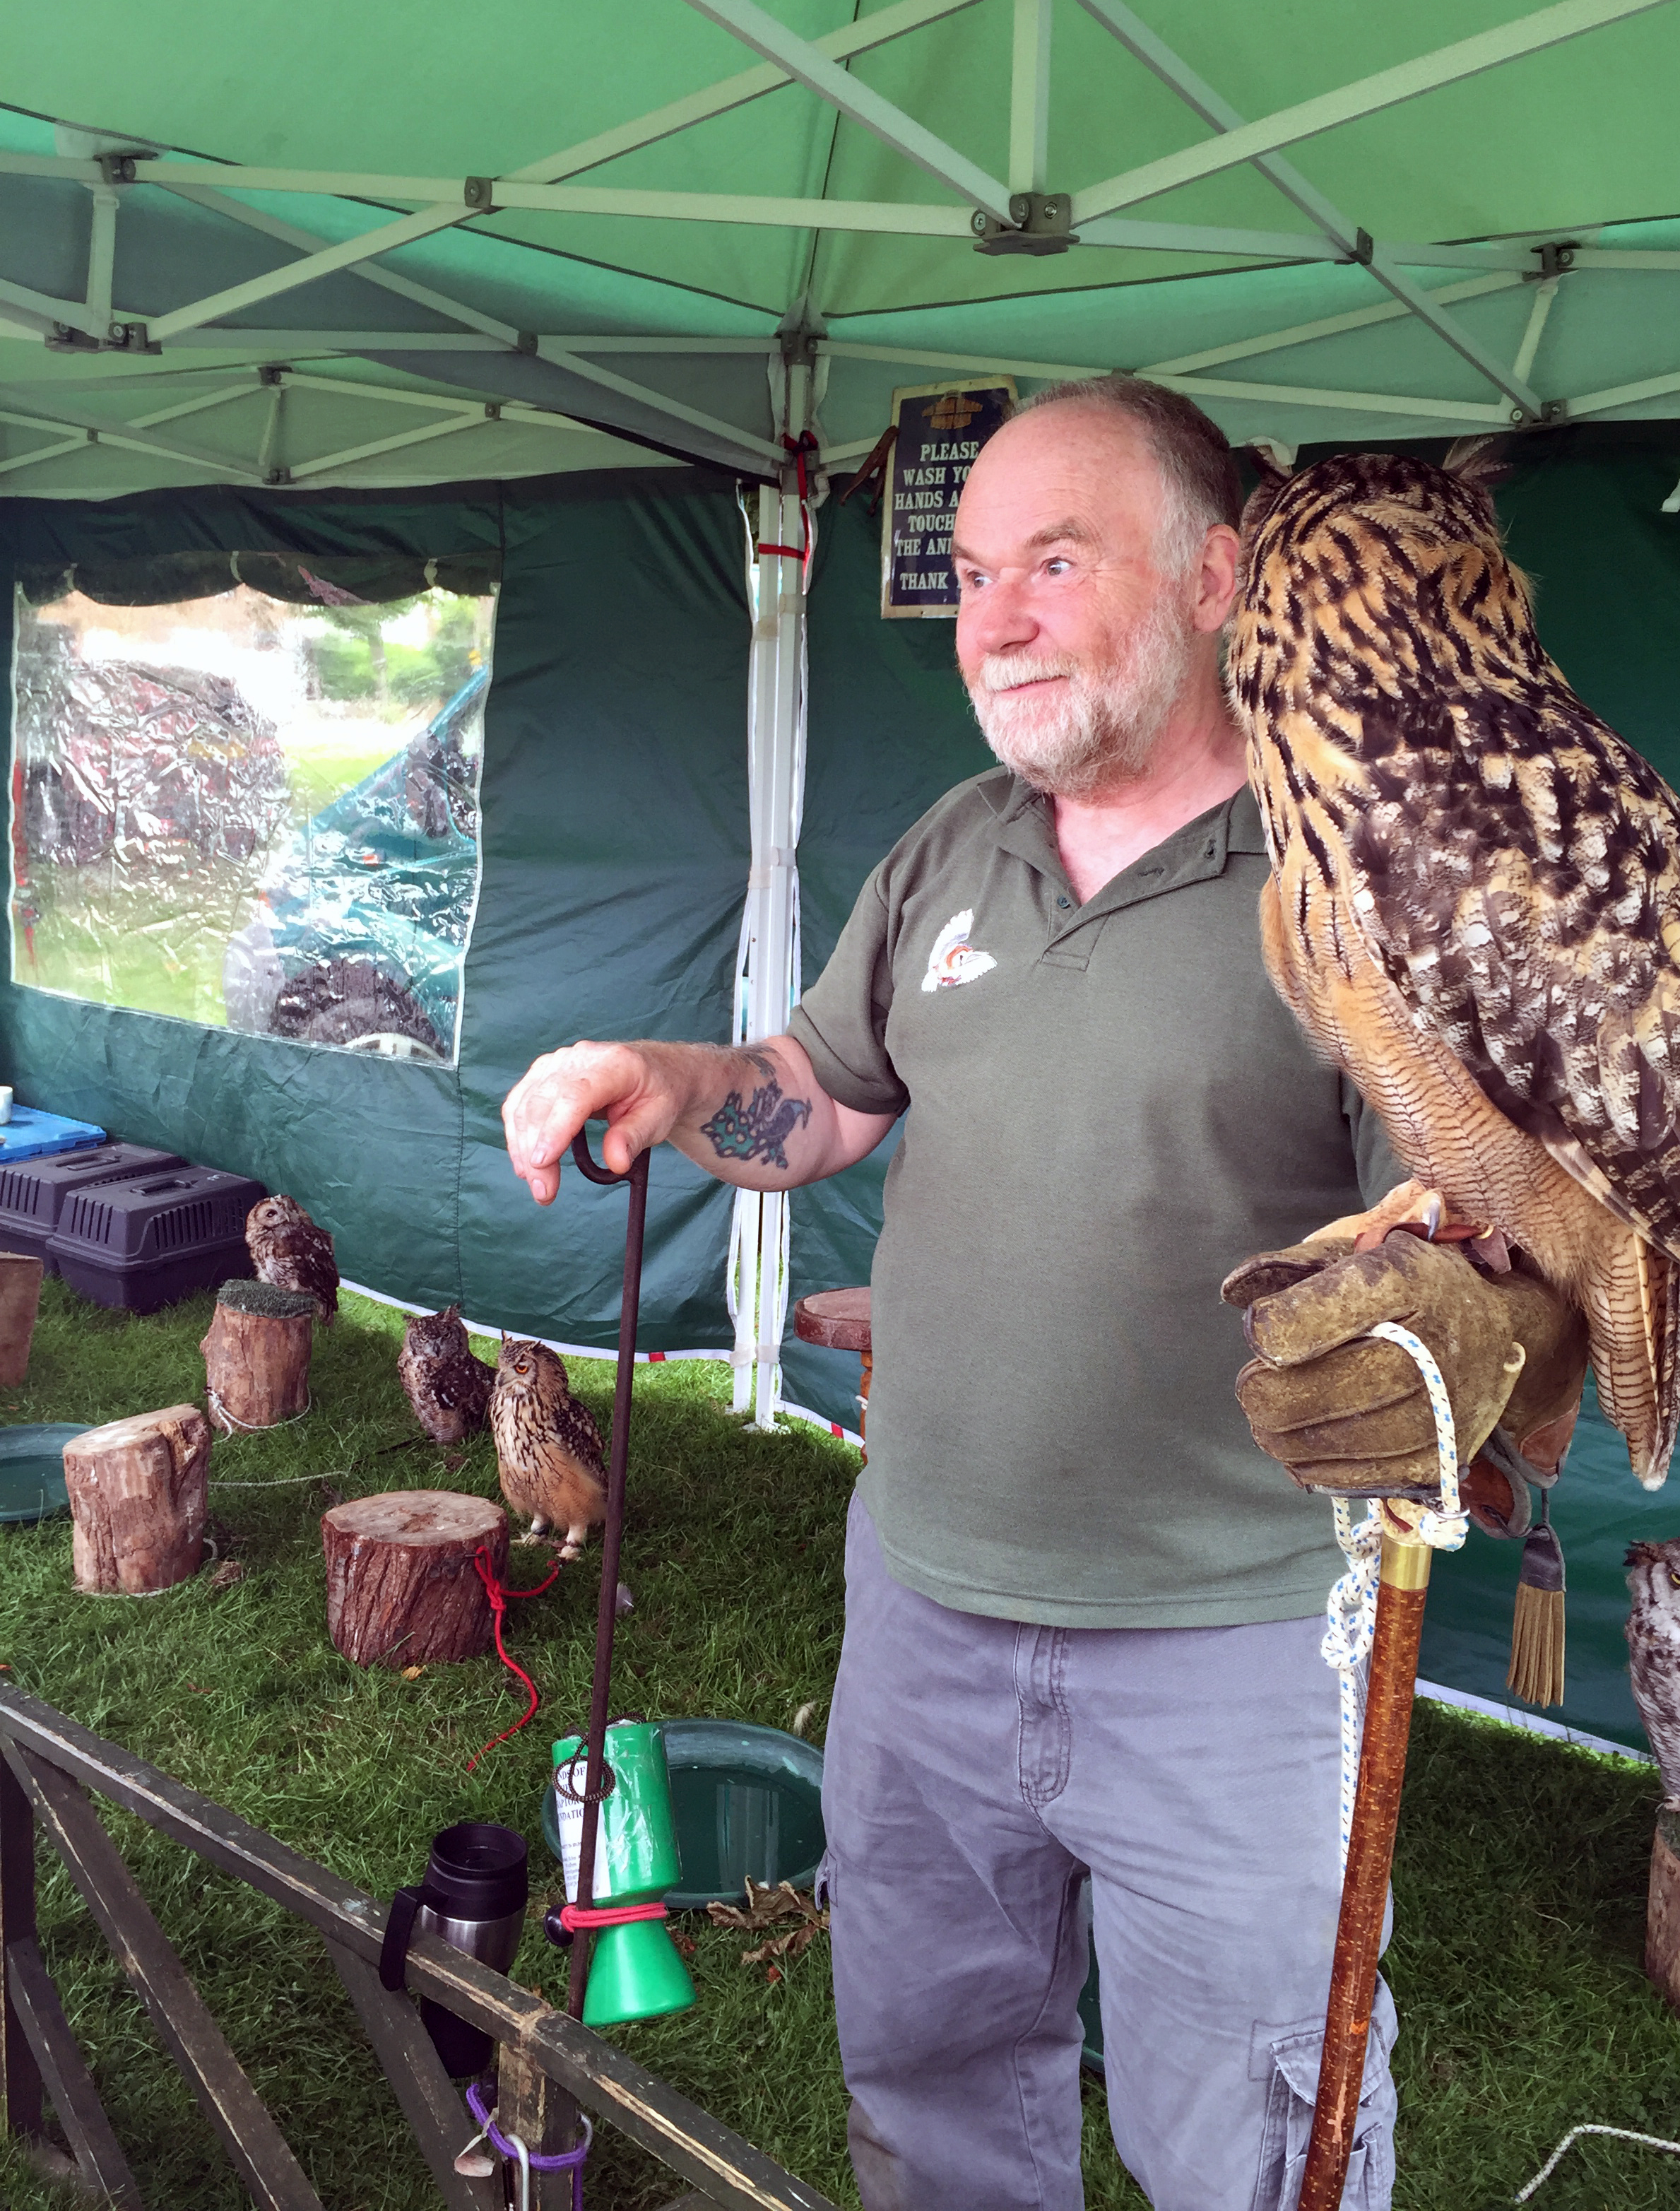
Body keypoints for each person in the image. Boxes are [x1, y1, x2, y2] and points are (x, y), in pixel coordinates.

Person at [502, 379, 1566, 2210]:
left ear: (1216, 577)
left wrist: (1475, 1325)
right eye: (977, 572)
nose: (993, 619)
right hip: (924, 1602)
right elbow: (823, 1095)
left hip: (1233, 1650)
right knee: (930, 2088)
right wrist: (677, 1083)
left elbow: (1508, 1231)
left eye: (1055, 564)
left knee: (1251, 2143)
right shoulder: (956, 844)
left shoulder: (1355, 875)